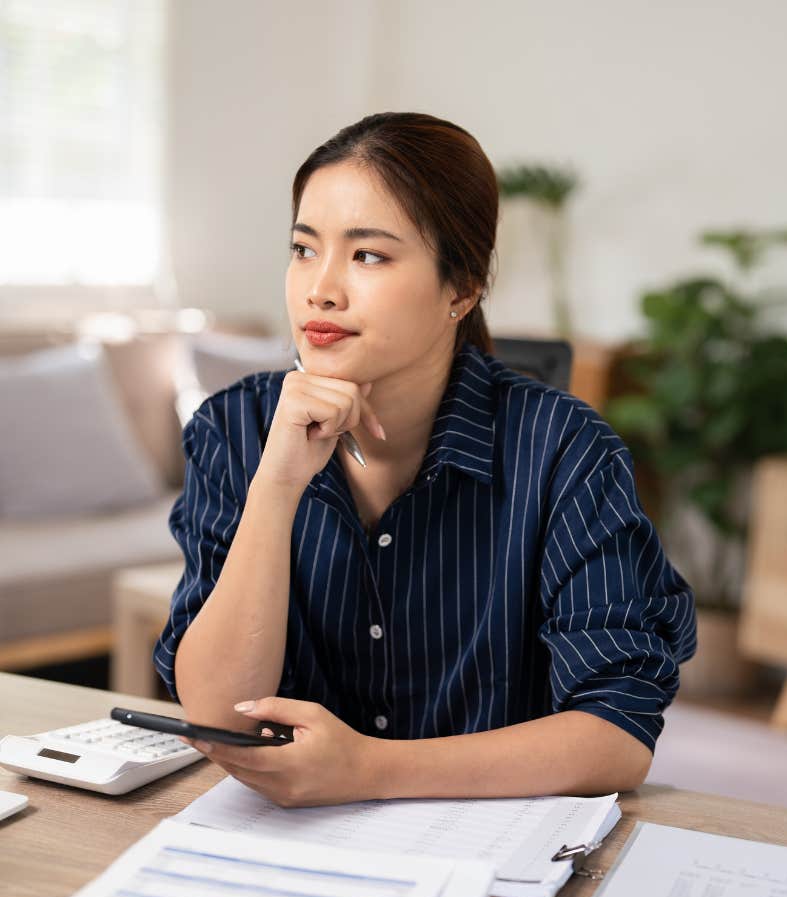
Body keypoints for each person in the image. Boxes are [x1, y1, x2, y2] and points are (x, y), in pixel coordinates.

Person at [153, 111, 696, 807]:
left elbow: (616, 734)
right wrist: (278, 483)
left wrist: (367, 769)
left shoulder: (565, 450)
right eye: (303, 248)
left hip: (497, 853)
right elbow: (221, 718)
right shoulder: (236, 428)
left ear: (462, 289)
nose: (320, 288)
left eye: (368, 255)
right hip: (291, 858)